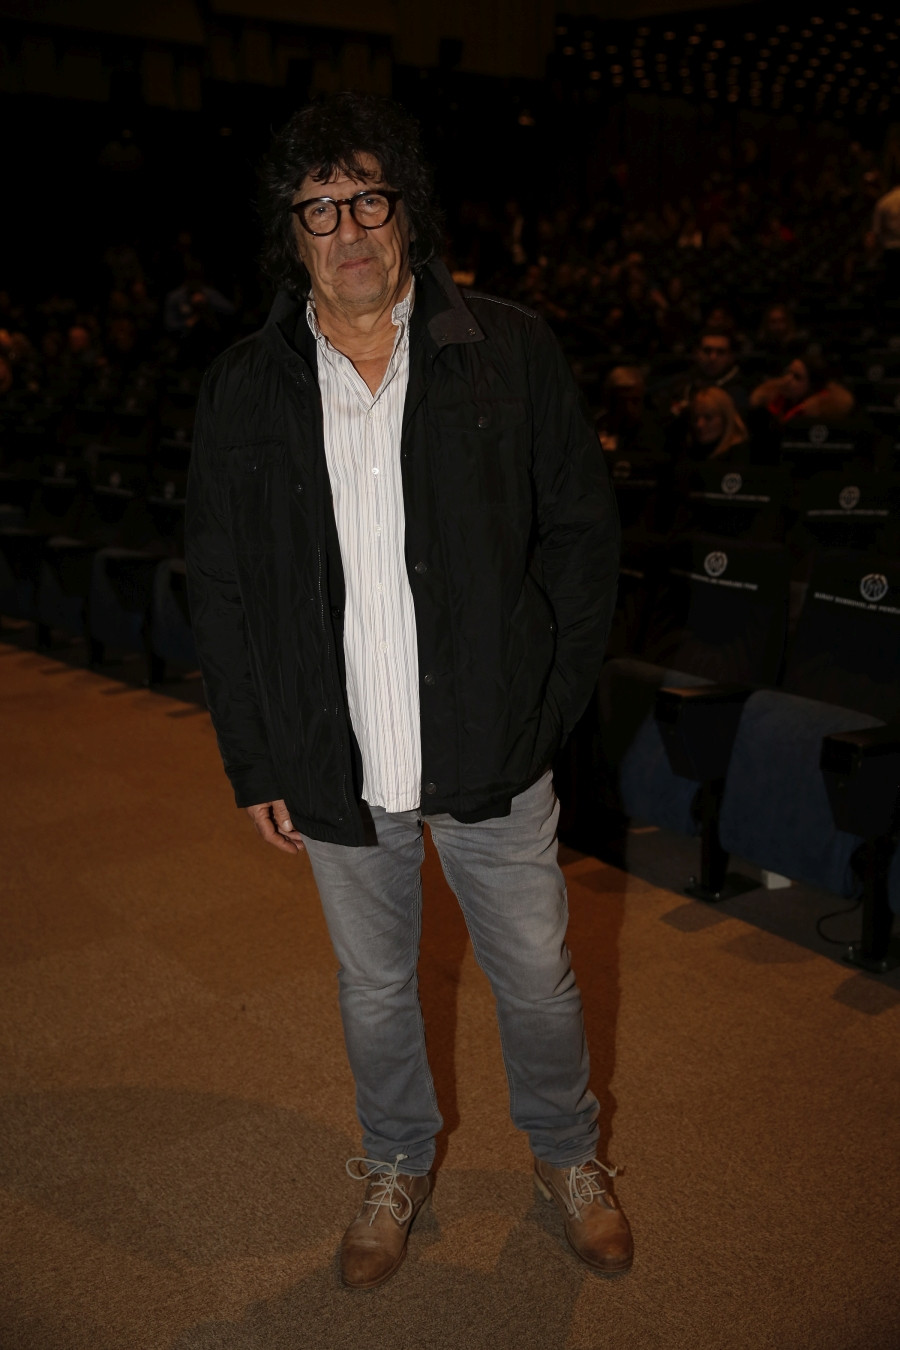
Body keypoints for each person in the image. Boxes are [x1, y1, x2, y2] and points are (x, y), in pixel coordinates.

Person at [185, 92, 627, 1291]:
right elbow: (219, 586)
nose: (348, 229)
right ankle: (393, 1163)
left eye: (368, 199)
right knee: (377, 987)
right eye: (318, 209)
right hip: (334, 755)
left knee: (536, 978)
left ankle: (568, 1154)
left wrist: (546, 704)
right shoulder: (243, 388)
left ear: (407, 213)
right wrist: (255, 756)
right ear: (291, 235)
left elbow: (583, 541)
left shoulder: (509, 351)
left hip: (494, 743)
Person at [661, 327, 749, 418]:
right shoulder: (680, 385)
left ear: (731, 357)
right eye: (707, 351)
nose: (713, 357)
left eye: (720, 352)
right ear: (696, 353)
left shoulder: (744, 388)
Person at [749, 352, 854, 423]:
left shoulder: (819, 416)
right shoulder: (771, 402)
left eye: (797, 377)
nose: (787, 380)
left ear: (812, 386)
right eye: (788, 372)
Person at [687, 386, 749, 461]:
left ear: (726, 418)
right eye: (695, 418)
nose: (699, 424)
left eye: (708, 417)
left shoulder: (741, 456)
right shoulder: (692, 453)